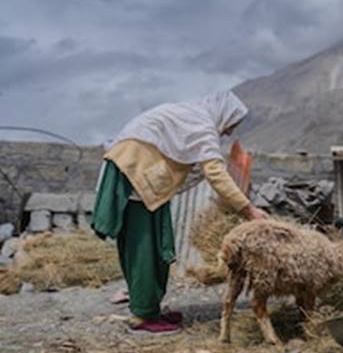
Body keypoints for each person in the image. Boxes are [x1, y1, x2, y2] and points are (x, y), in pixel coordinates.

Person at [91, 90, 268, 335]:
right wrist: (248, 210)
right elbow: (215, 173)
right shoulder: (202, 125)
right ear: (223, 115)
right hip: (133, 175)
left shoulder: (192, 117)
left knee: (153, 245)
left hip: (142, 177)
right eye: (231, 125)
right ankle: (142, 316)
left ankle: (149, 308)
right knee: (144, 248)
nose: (229, 132)